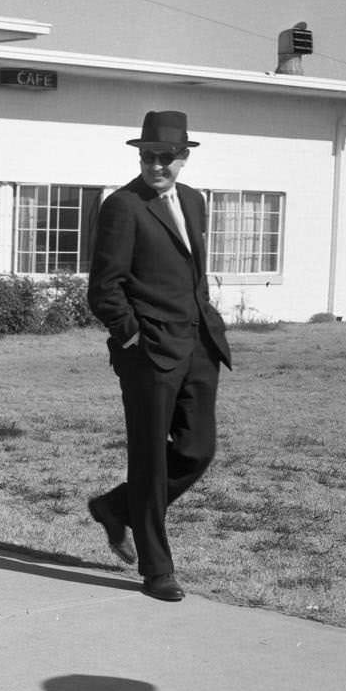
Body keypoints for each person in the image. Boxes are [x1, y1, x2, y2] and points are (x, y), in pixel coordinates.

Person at [86, 110, 232, 602]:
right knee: (149, 459)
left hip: (197, 346)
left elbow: (191, 274)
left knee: (197, 449)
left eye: (166, 157)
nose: (156, 165)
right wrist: (132, 339)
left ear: (183, 158)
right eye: (148, 156)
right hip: (148, 351)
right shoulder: (123, 206)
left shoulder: (193, 201)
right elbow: (104, 289)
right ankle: (157, 568)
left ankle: (115, 507)